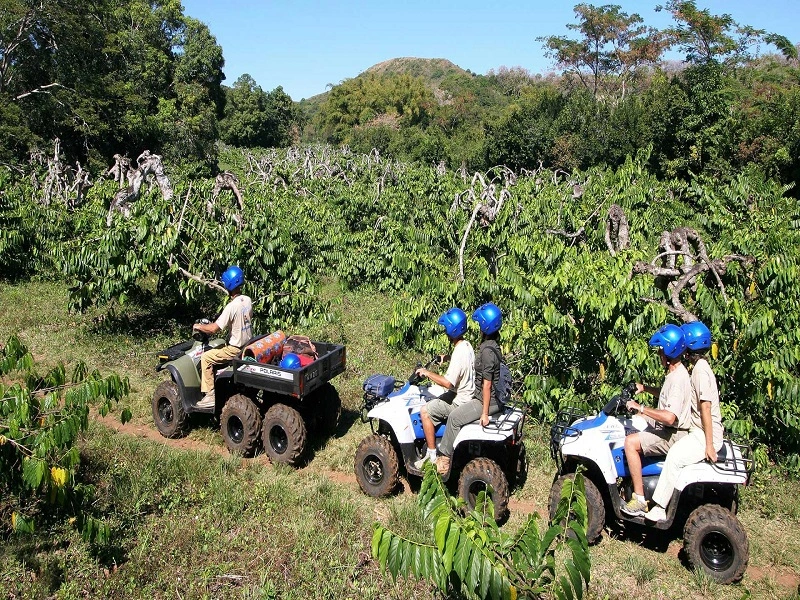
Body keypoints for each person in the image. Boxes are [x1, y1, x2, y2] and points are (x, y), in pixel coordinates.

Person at [646, 321, 724, 521]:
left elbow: (705, 407)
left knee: (675, 456)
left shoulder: (700, 371)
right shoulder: (698, 367)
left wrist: (709, 445)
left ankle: (659, 507)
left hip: (704, 434)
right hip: (699, 432)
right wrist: (646, 388)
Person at [621, 323, 693, 516]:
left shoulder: (677, 380)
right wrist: (645, 388)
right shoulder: (676, 373)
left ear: (669, 350)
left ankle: (638, 499)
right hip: (671, 430)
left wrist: (640, 406)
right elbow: (666, 396)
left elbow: (669, 417)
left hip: (673, 435)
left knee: (630, 442)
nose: (659, 354)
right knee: (638, 419)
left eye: (661, 350)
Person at [435, 302, 505, 476]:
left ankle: (444, 459)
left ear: (485, 325)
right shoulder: (492, 345)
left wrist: (484, 412)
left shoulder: (487, 351)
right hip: (491, 397)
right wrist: (449, 357)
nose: (478, 325)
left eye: (480, 323)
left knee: (454, 418)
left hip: (487, 400)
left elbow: (487, 384)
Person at [414, 308, 475, 472]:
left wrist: (427, 373)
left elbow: (448, 383)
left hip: (459, 401)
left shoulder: (460, 351)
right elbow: (461, 365)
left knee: (425, 410)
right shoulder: (467, 346)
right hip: (467, 396)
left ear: (452, 329)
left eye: (446, 328)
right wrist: (447, 358)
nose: (445, 332)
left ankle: (431, 456)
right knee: (437, 398)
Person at [193, 265, 253, 409]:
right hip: (248, 345)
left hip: (235, 349)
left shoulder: (231, 307)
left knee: (206, 358)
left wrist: (199, 326)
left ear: (228, 285)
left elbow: (214, 328)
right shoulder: (248, 300)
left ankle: (210, 395)